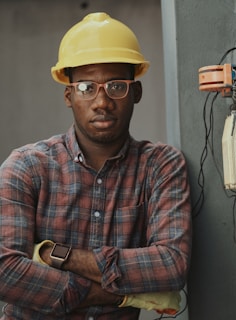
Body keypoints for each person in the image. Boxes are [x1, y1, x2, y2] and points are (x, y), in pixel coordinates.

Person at [0, 12, 192, 320]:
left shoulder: (160, 166)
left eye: (116, 86)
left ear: (136, 92)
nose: (101, 102)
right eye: (87, 88)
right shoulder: (26, 167)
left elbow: (171, 266)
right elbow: (5, 270)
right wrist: (120, 297)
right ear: (69, 95)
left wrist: (61, 257)